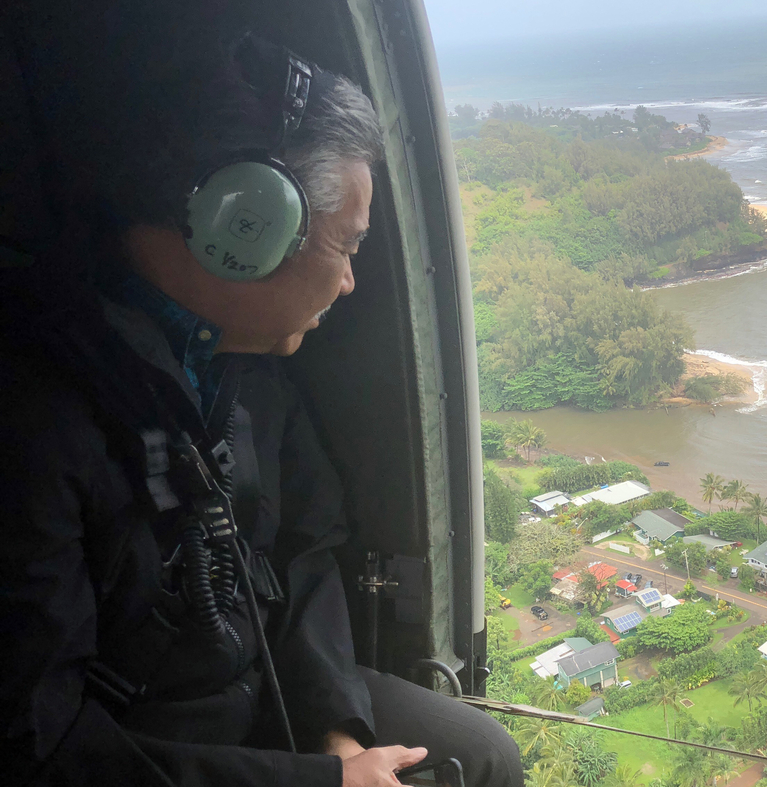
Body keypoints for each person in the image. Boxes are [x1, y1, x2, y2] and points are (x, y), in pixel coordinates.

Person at [0, 9, 522, 787]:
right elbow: (38, 749)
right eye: (345, 244)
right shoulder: (36, 421)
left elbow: (307, 550)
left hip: (263, 704)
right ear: (245, 227)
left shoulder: (246, 376)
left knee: (481, 757)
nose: (349, 281)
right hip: (141, 752)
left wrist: (338, 730)